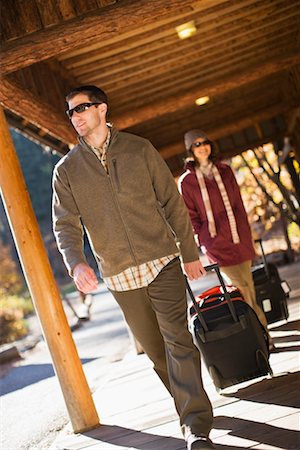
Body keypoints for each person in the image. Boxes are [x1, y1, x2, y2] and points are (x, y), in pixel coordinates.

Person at [52, 86, 215, 450]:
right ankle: (189, 404)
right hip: (119, 275)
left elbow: (172, 203)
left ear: (102, 109)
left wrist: (189, 253)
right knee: (157, 351)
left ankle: (195, 425)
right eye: (70, 112)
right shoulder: (66, 171)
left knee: (178, 340)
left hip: (162, 261)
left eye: (82, 108)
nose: (76, 115)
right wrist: (76, 262)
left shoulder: (139, 149)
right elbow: (65, 223)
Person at [178, 129, 272, 347]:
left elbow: (238, 203)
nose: (202, 147)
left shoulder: (225, 170)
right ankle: (263, 336)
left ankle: (261, 337)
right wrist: (204, 239)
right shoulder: (187, 181)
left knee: (248, 287)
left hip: (239, 237)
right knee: (241, 288)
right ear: (190, 150)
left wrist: (246, 231)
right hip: (215, 243)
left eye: (205, 142)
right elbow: (191, 217)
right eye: (197, 144)